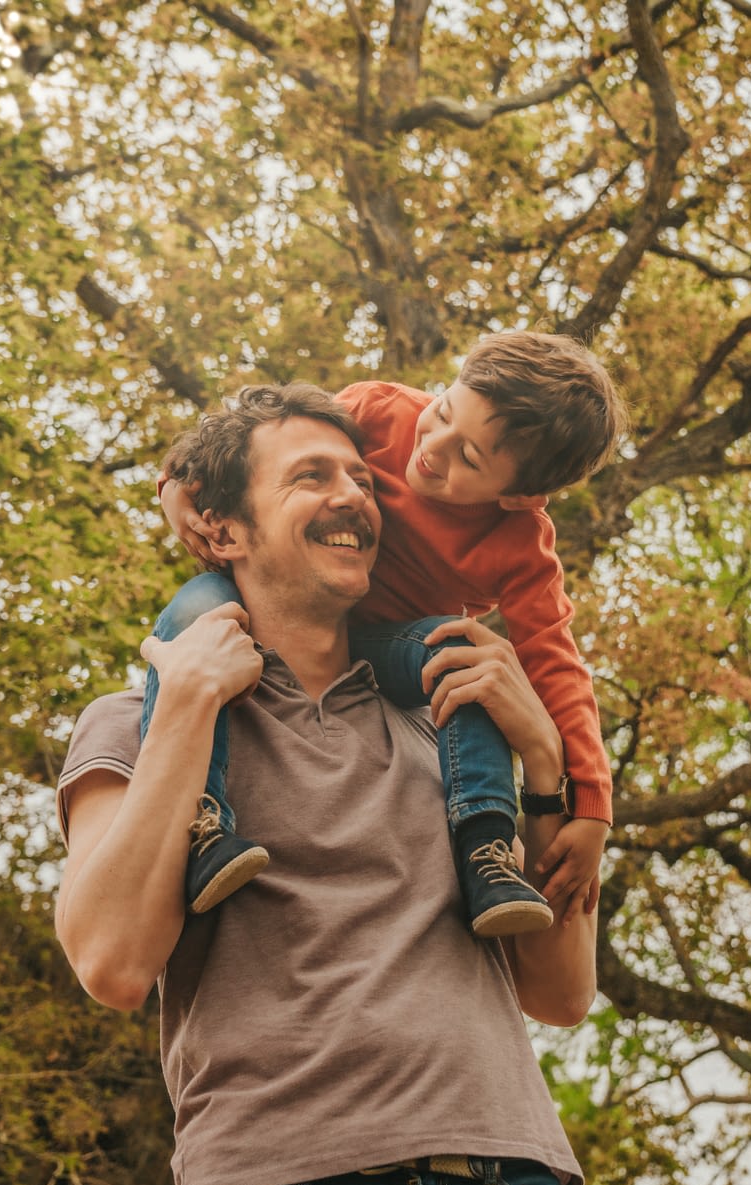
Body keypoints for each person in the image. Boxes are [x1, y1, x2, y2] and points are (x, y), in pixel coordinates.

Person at [54, 383, 602, 1185]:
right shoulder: (132, 726)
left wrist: (546, 766)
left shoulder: (454, 728)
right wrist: (189, 706)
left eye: (361, 476)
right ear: (224, 531)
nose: (355, 494)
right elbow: (112, 962)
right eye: (311, 477)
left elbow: (562, 992)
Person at [140, 333, 624, 937]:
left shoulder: (522, 546)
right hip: (264, 608)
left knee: (467, 661)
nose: (434, 446)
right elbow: (257, 448)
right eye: (444, 410)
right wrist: (176, 492)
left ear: (520, 495)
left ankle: (485, 846)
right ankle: (199, 821)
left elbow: (555, 662)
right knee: (195, 616)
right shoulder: (378, 409)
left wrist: (593, 807)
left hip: (382, 648)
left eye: (469, 458)